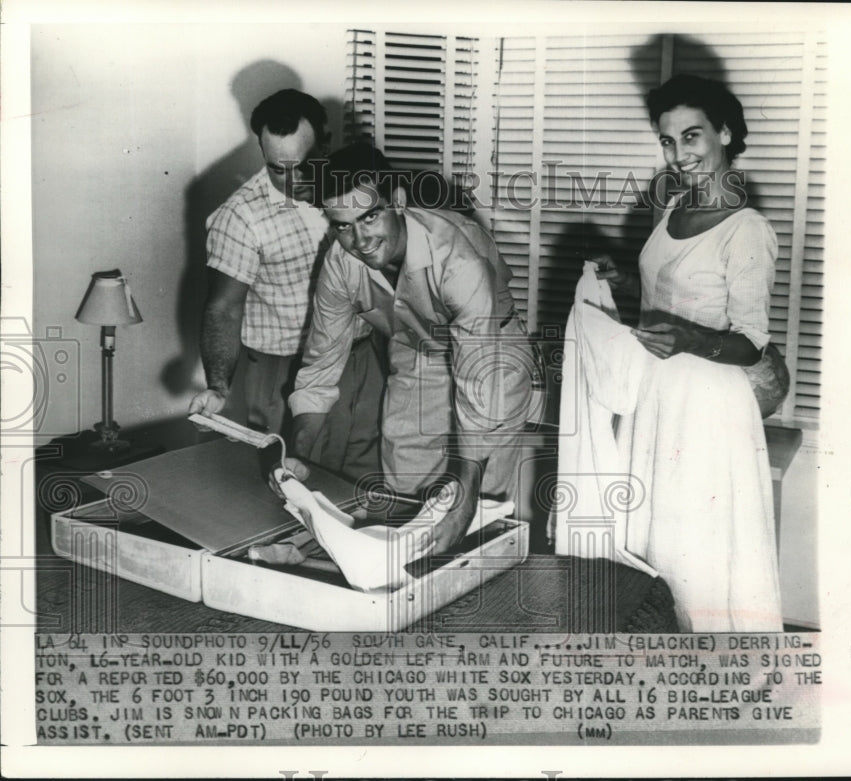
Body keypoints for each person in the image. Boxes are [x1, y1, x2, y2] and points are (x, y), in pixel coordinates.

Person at [561, 74, 783, 631]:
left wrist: (689, 340)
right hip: (655, 395)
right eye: (668, 141)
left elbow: (750, 340)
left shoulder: (746, 229)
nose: (680, 154)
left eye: (692, 137)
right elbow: (674, 298)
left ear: (725, 134)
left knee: (697, 547)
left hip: (709, 405)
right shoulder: (672, 213)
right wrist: (626, 285)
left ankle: (716, 670)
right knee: (652, 537)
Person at [286, 143, 533, 553]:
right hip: (416, 348)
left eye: (369, 217)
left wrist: (464, 495)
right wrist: (297, 456)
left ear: (397, 201)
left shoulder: (458, 260)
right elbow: (320, 367)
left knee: (477, 502)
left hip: (492, 352)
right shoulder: (339, 263)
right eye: (342, 226)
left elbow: (477, 381)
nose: (360, 240)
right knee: (405, 486)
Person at [188, 90, 384, 478]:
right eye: (279, 168)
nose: (295, 179)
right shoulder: (241, 217)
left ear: (326, 140)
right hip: (286, 371)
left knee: (365, 477)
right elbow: (223, 308)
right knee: (293, 481)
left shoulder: (350, 187)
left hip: (362, 354)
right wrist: (219, 387)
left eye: (305, 163)